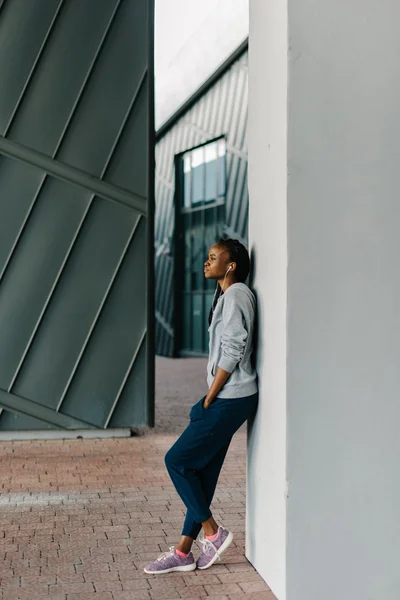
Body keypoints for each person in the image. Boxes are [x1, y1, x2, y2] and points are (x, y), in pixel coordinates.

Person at [144, 238, 258, 575]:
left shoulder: (236, 294)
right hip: (233, 395)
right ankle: (183, 552)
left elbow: (234, 347)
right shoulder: (228, 294)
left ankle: (213, 533)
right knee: (201, 472)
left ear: (232, 264)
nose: (206, 262)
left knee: (177, 460)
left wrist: (209, 398)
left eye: (213, 257)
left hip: (231, 396)